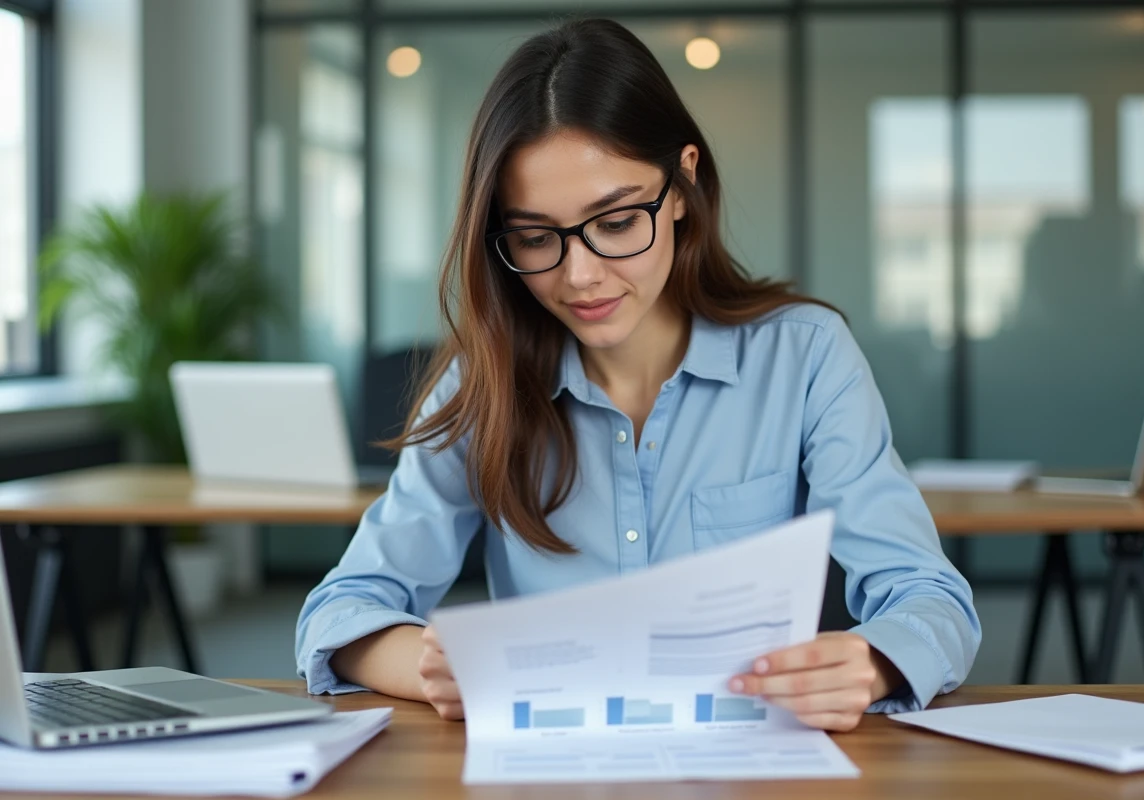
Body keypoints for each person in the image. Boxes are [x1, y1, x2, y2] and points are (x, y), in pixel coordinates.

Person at [296, 18, 979, 733]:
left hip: (755, 764)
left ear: (682, 183)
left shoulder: (806, 358)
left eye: (617, 222)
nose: (581, 275)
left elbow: (931, 600)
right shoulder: (483, 384)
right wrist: (430, 665)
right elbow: (339, 612)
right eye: (535, 238)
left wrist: (867, 664)